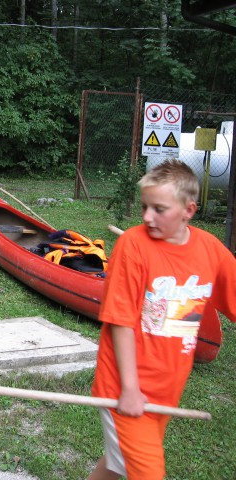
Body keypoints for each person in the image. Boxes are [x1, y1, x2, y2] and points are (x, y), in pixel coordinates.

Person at [88, 159, 236, 480]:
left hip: (166, 390)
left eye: (159, 209)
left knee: (117, 465)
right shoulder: (133, 245)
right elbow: (120, 319)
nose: (146, 217)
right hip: (125, 390)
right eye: (144, 207)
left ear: (189, 210)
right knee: (146, 472)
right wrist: (128, 389)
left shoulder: (209, 250)